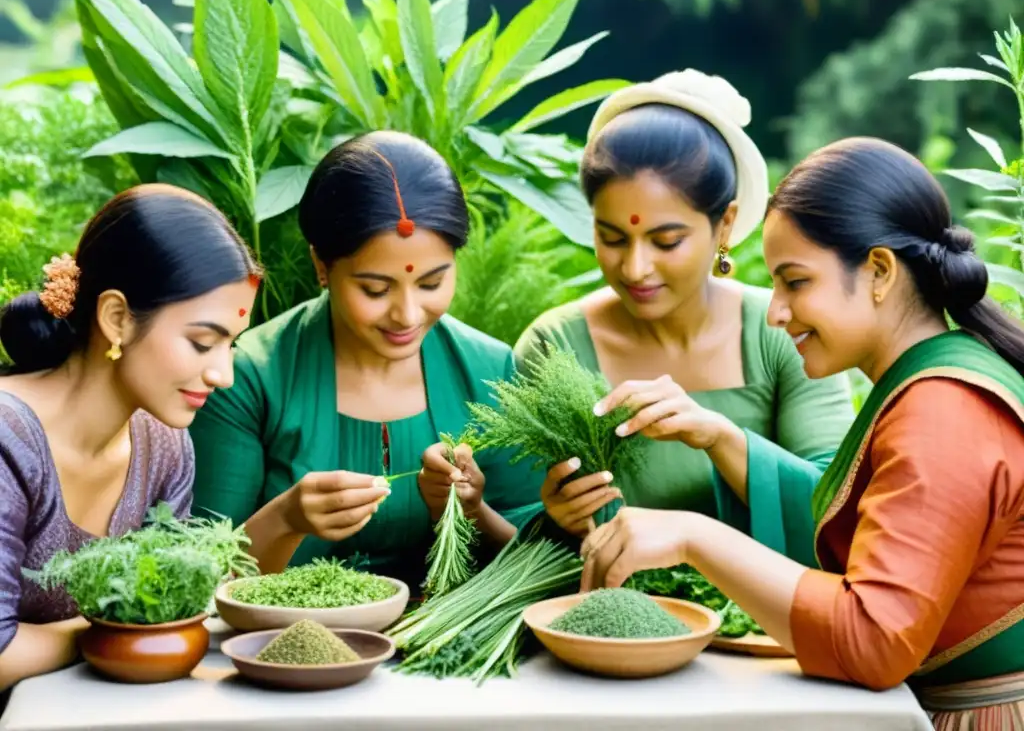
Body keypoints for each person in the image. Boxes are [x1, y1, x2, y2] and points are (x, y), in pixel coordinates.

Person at [580, 137, 1024, 727]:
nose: (775, 312)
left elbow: (873, 639)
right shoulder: (939, 376)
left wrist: (694, 536)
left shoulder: (942, 413)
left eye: (795, 282)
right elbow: (853, 532)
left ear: (879, 272)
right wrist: (720, 438)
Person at [515, 69, 853, 555]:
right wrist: (554, 520)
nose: (635, 267)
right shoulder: (555, 346)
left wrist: (719, 437)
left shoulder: (782, 332)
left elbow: (839, 512)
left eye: (666, 241)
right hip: (610, 624)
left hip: (761, 627)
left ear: (725, 224)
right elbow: (510, 520)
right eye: (612, 238)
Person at [188, 131, 545, 585]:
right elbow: (198, 572)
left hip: (444, 647)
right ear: (321, 265)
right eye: (375, 290)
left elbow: (539, 562)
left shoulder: (490, 372)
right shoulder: (251, 377)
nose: (408, 315)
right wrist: (287, 518)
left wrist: (471, 510)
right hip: (279, 646)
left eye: (432, 283)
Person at [0, 184, 260, 690]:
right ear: (116, 318)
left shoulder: (164, 444)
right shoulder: (9, 442)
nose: (222, 374)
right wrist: (116, 633)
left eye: (230, 345)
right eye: (202, 342)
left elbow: (165, 607)